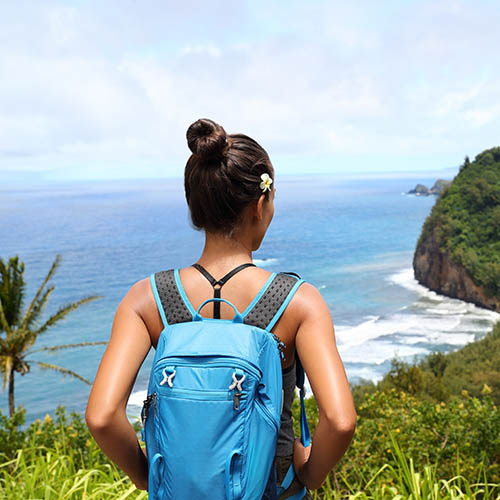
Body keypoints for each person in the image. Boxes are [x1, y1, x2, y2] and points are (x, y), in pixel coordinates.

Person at [86, 118, 356, 498]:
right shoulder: (298, 301)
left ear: (195, 207)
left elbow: (101, 417)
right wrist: (307, 477)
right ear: (260, 206)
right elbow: (340, 421)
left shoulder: (146, 298)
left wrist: (150, 480)